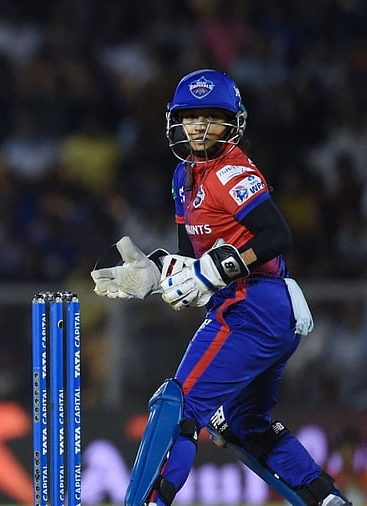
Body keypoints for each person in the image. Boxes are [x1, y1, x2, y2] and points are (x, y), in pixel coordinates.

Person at [90, 70, 352, 506]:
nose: (199, 127)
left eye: (212, 117)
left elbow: (274, 234)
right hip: (255, 308)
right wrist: (156, 274)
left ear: (233, 123)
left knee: (176, 407)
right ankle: (326, 501)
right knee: (244, 424)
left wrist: (215, 270)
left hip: (253, 305)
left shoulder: (231, 171)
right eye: (191, 117)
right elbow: (190, 261)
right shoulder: (183, 178)